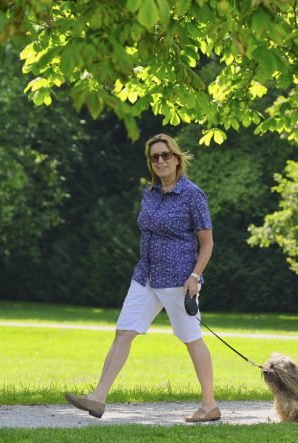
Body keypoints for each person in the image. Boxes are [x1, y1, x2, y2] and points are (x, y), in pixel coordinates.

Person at [65, 133, 219, 423]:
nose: (160, 161)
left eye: (165, 155)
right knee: (124, 331)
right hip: (145, 276)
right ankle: (98, 398)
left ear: (176, 158)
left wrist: (195, 276)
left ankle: (209, 405)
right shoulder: (149, 193)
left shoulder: (191, 194)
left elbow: (207, 242)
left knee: (192, 339)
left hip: (178, 279)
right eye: (154, 157)